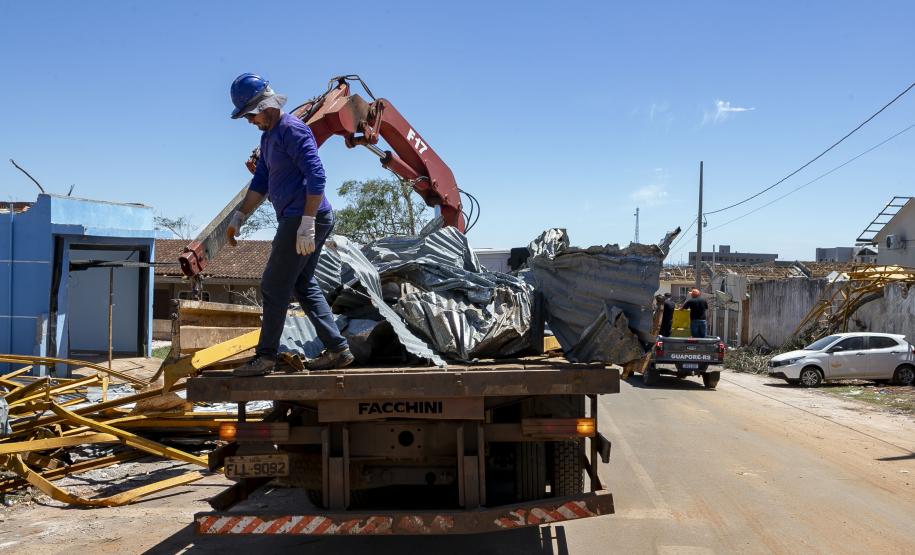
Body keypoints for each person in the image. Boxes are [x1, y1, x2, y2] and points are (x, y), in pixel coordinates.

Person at [226, 73, 354, 376]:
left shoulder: (293, 131)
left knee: (273, 285)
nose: (249, 121)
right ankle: (338, 350)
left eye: (250, 114)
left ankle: (266, 357)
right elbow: (261, 181)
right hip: (300, 217)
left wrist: (307, 222)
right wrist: (239, 215)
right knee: (302, 283)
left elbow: (317, 177)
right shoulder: (268, 137)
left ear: (266, 105)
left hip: (304, 217)